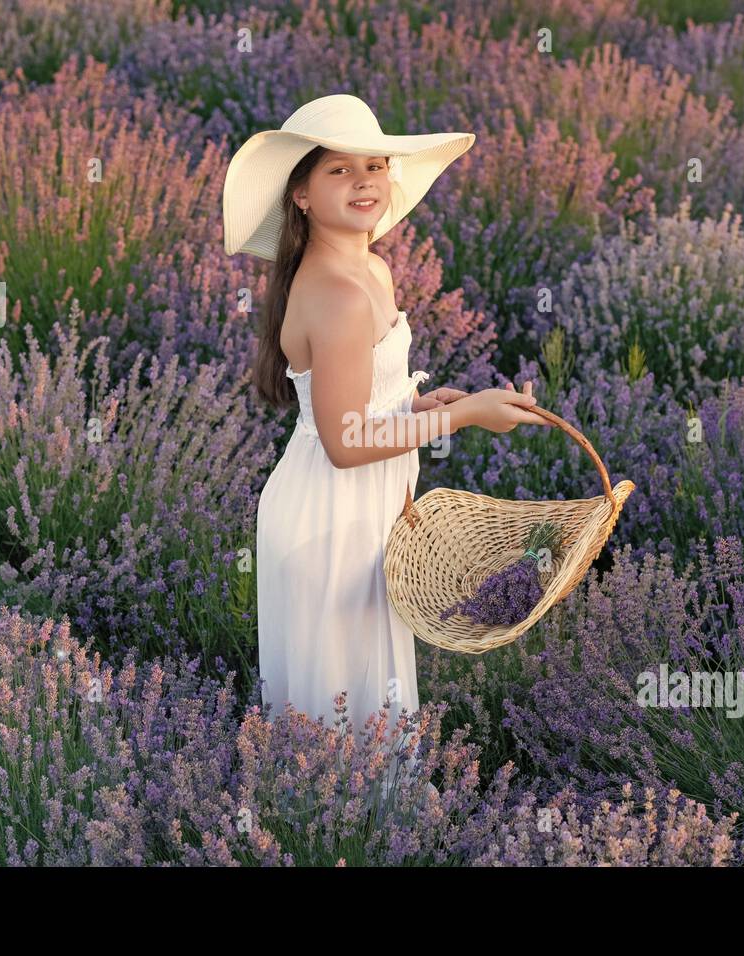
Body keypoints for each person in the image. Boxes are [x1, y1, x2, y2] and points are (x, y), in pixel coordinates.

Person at [223, 94, 548, 803]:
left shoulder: (370, 268)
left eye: (375, 164)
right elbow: (343, 442)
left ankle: (370, 836)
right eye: (340, 170)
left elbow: (365, 400)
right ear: (302, 194)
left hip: (365, 511)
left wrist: (417, 402)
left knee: (367, 706)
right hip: (328, 522)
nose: (366, 180)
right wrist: (462, 419)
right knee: (335, 715)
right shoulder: (337, 291)